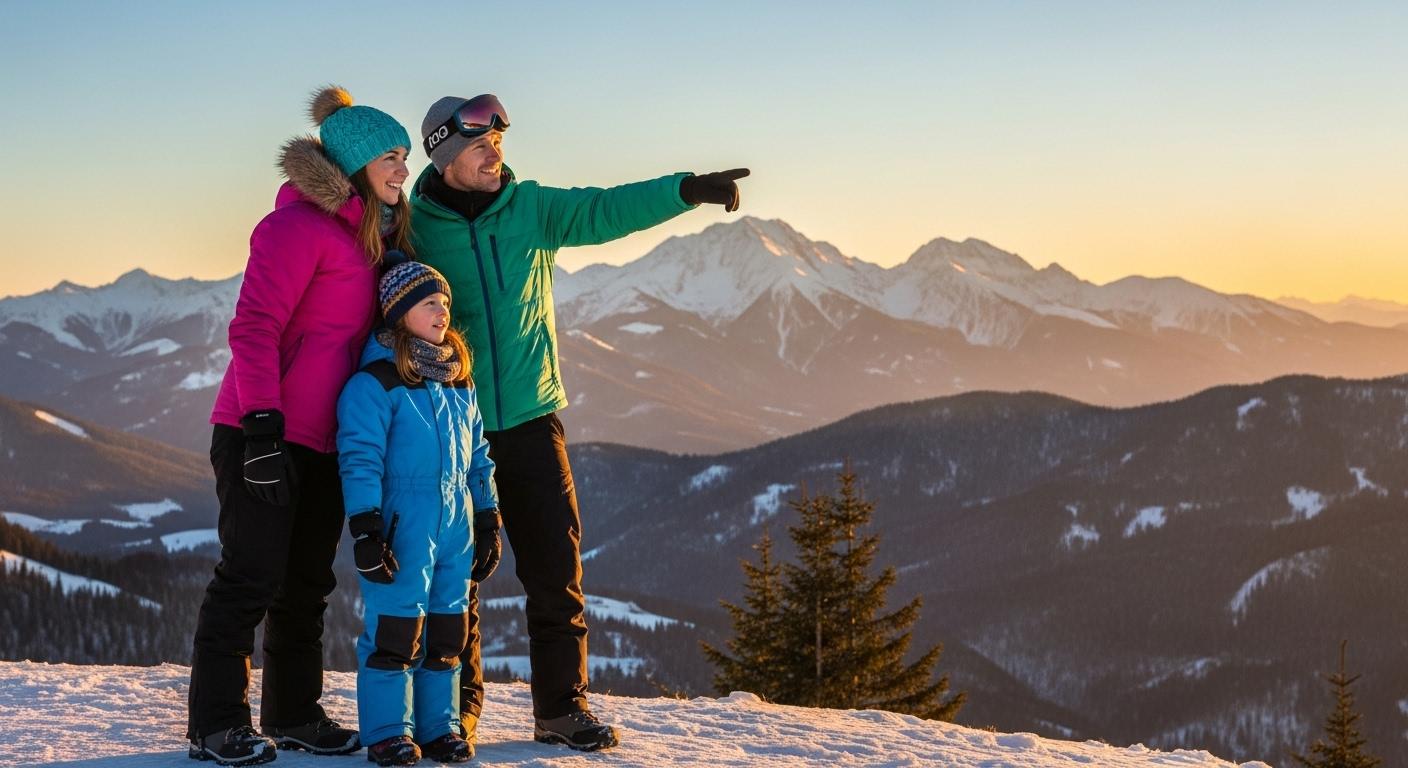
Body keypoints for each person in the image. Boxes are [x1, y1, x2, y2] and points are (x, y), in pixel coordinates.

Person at [409, 92, 749, 751]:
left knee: (555, 570)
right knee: (456, 575)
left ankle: (562, 709)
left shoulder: (530, 207)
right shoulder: (413, 228)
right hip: (453, 423)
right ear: (445, 156)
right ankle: (454, 713)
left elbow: (605, 209)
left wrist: (683, 190)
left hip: (532, 419)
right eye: (480, 146)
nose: (495, 155)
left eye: (498, 143)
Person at [188, 85, 413, 766]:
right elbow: (254, 326)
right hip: (263, 430)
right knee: (250, 575)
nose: (403, 170)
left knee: (307, 584)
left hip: (326, 440)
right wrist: (261, 428)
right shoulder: (294, 228)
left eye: (404, 156)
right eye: (391, 157)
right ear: (355, 165)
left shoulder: (370, 240)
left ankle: (292, 714)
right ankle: (215, 725)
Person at [335, 257, 499, 766]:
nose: (442, 311)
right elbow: (360, 459)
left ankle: (439, 727)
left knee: (449, 632)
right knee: (396, 630)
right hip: (402, 525)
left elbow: (478, 457)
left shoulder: (458, 382)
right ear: (399, 313)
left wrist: (487, 518)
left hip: (456, 525)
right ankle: (389, 732)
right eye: (429, 303)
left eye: (445, 303)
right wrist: (366, 528)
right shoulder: (375, 384)